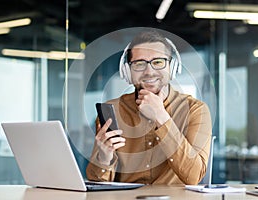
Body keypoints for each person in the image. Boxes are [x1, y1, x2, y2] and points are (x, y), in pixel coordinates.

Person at [86, 30, 212, 185]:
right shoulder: (112, 110)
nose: (149, 71)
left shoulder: (195, 110)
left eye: (158, 62)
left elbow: (194, 176)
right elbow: (97, 184)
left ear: (172, 67)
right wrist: (104, 159)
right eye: (139, 64)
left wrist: (161, 116)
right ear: (127, 71)